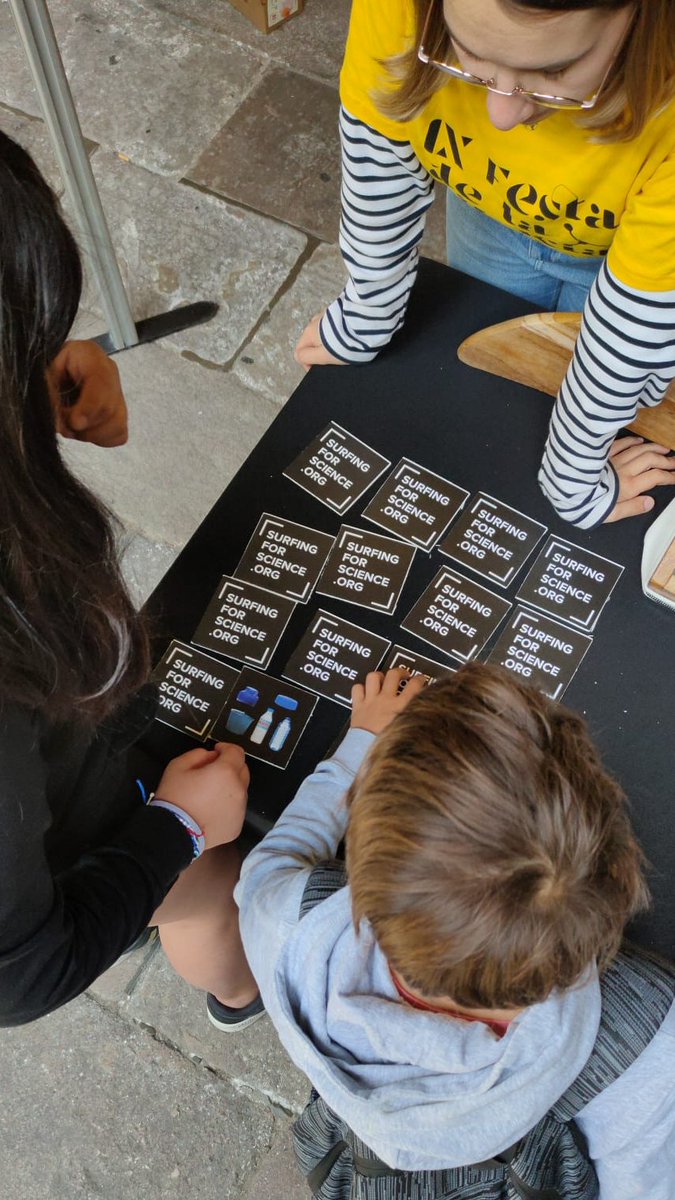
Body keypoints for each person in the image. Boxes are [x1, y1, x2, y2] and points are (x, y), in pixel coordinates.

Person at [0, 131, 262, 1033]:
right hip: (75, 838)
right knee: (221, 891)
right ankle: (237, 993)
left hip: (72, 759)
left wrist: (29, 381)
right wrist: (180, 830)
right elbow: (20, 974)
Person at [236, 664, 675, 1198]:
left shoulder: (291, 926)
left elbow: (268, 869)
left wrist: (362, 745)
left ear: (364, 863)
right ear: (615, 881)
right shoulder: (647, 1038)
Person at [295, 0, 675, 530]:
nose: (502, 114)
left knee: (623, 388)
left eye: (553, 71)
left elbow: (636, 322)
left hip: (639, 258)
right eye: (469, 55)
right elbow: (379, 145)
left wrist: (573, 469)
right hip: (487, 214)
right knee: (490, 375)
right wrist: (369, 305)